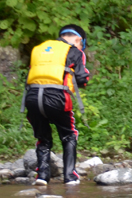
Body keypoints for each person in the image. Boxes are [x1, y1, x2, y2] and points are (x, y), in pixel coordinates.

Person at [21, 25, 91, 186]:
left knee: (43, 138)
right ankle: (70, 176)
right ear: (79, 40)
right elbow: (81, 78)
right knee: (68, 135)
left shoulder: (39, 49)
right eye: (82, 45)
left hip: (31, 98)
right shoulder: (74, 51)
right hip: (57, 97)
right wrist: (83, 81)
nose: (81, 48)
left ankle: (42, 177)